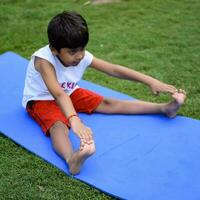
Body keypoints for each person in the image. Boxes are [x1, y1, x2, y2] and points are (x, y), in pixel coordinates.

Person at [22, 11, 186, 175]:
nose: (79, 56)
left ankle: (165, 108)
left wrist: (150, 80)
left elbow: (113, 69)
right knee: (58, 125)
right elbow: (58, 94)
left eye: (82, 49)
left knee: (108, 103)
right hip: (41, 99)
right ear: (54, 50)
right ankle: (71, 158)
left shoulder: (81, 56)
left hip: (69, 92)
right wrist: (75, 120)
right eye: (72, 52)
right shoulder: (44, 60)